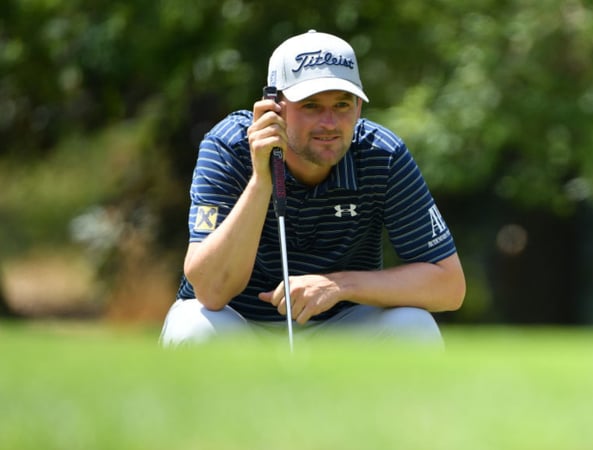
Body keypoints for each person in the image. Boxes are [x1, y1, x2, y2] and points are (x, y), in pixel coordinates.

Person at [160, 30, 466, 347]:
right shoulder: (228, 146)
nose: (330, 123)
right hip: (239, 326)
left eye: (342, 104)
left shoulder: (382, 156)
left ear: (359, 107)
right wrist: (262, 179)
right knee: (192, 329)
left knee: (414, 326)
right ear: (274, 108)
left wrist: (338, 285)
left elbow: (449, 286)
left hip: (341, 328)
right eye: (311, 106)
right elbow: (211, 291)